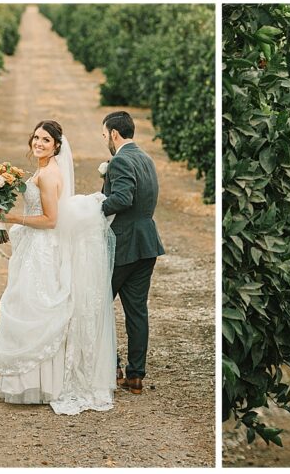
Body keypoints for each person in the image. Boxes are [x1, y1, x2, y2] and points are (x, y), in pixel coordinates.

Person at [0, 120, 117, 415]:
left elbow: (50, 220)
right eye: (36, 137)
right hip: (35, 246)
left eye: (45, 140)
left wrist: (12, 220)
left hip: (43, 248)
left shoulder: (48, 175)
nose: (38, 143)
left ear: (56, 146)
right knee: (27, 305)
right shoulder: (42, 170)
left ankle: (42, 383)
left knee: (37, 307)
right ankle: (32, 381)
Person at [100, 111, 165, 395]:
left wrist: (94, 207)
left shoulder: (121, 160)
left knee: (100, 305)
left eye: (105, 136)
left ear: (114, 134)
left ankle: (112, 368)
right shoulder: (146, 159)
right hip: (147, 243)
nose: (106, 141)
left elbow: (123, 199)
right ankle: (136, 376)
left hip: (124, 245)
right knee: (137, 311)